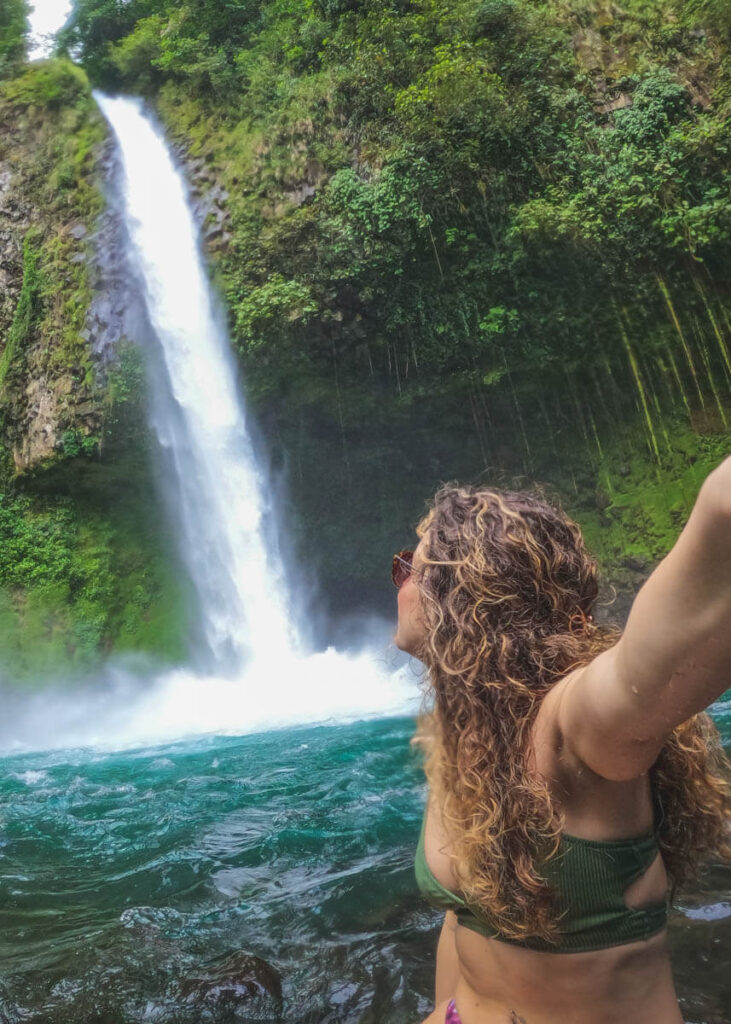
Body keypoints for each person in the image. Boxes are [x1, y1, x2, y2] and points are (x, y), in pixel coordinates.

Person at [392, 456, 731, 1024]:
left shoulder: (572, 727)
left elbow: (663, 653)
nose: (398, 583)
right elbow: (465, 919)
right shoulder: (464, 730)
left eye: (410, 567)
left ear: (461, 594)